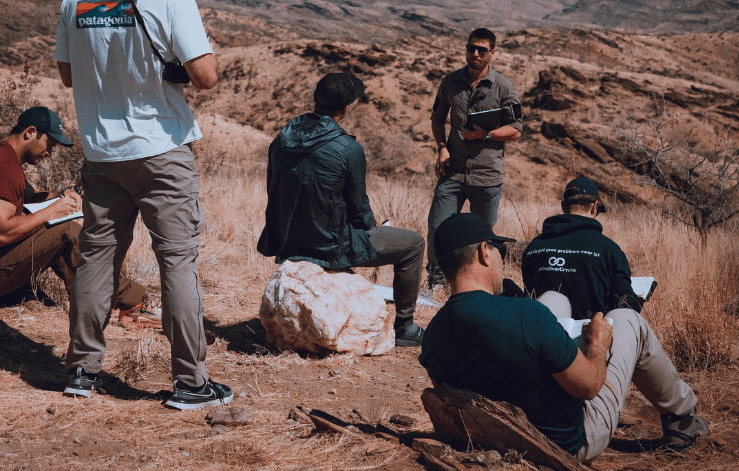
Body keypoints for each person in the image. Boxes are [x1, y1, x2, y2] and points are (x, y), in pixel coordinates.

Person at [55, 0, 229, 410]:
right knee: (177, 261)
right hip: (161, 150)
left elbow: (68, 77)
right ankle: (191, 383)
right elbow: (206, 77)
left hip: (102, 151)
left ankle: (82, 371)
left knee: (97, 258)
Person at [420, 213, 709, 462]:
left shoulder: (433, 334)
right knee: (627, 319)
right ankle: (683, 420)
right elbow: (590, 386)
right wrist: (598, 345)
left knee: (554, 299)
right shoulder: (525, 315)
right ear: (485, 252)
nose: (500, 260)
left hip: (496, 436)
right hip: (566, 443)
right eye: (499, 251)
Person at [257, 72, 426, 346]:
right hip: (329, 246)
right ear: (346, 108)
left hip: (288, 240)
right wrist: (373, 224)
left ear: (316, 99)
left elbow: (272, 189)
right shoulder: (348, 148)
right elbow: (361, 212)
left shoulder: (282, 139)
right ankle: (405, 327)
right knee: (414, 244)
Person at [0, 106, 146, 312]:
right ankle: (133, 303)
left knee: (56, 233)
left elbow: (30, 195)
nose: (50, 152)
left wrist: (63, 194)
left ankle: (97, 304)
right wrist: (51, 213)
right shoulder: (4, 167)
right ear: (30, 132)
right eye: (49, 143)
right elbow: (1, 233)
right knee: (66, 232)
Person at [426, 27, 522, 287]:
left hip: (487, 174)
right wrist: (441, 147)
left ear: (492, 52)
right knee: (438, 225)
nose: (476, 54)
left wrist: (487, 134)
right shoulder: (450, 82)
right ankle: (436, 278)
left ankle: (481, 284)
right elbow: (437, 118)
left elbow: (516, 129)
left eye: (482, 50)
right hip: (453, 170)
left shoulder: (503, 87)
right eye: (471, 48)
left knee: (483, 236)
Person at [522, 176, 643, 318]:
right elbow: (626, 304)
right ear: (594, 207)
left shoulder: (534, 247)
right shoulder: (609, 249)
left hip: (540, 334)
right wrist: (637, 300)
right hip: (589, 337)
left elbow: (529, 295)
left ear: (563, 206)